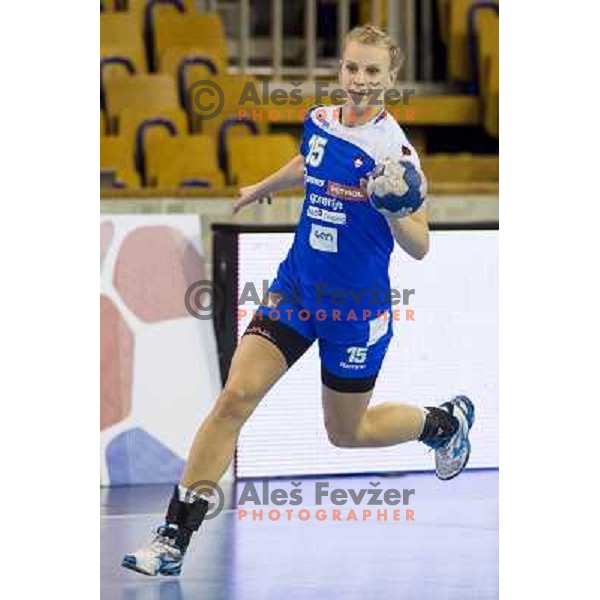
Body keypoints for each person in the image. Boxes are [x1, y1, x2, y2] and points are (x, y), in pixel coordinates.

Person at [122, 24, 475, 577]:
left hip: (355, 312)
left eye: (372, 72)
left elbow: (421, 245)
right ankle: (173, 539)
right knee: (235, 396)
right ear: (341, 70)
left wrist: (393, 207)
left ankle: (442, 424)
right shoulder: (319, 121)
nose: (360, 80)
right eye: (352, 68)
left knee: (346, 434)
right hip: (297, 290)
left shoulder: (397, 155)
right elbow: (307, 163)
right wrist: (261, 188)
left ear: (391, 79)